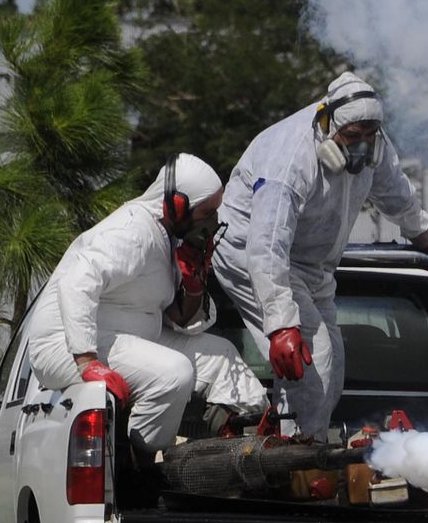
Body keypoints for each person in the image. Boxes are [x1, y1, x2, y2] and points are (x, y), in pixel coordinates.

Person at [212, 71, 428, 440]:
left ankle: (297, 448)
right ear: (326, 124)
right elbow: (266, 247)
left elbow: (394, 192)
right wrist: (281, 325)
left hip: (314, 266)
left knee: (332, 364)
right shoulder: (290, 159)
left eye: (369, 135)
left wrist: (426, 234)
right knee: (312, 363)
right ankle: (296, 458)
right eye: (352, 136)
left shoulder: (375, 145)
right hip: (251, 256)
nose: (361, 145)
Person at [27, 154, 268, 455]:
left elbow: (176, 318)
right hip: (64, 345)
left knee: (222, 356)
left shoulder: (166, 238)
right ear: (177, 205)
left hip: (130, 335)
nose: (212, 222)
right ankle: (146, 461)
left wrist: (193, 287)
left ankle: (252, 441)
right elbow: (77, 280)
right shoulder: (133, 232)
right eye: (207, 212)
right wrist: (87, 361)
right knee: (172, 373)